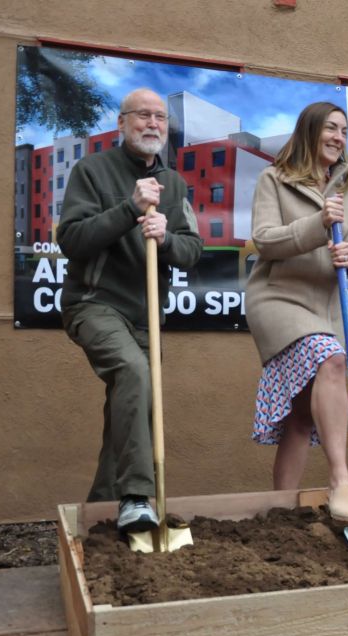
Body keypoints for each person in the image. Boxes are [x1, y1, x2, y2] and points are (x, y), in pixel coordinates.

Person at [58, 88, 203, 532]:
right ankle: (138, 498)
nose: (153, 124)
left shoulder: (175, 184)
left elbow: (192, 249)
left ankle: (101, 512)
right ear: (122, 123)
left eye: (161, 117)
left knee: (134, 407)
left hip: (146, 319)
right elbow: (72, 239)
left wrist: (166, 236)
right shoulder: (92, 171)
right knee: (134, 374)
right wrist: (130, 210)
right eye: (143, 115)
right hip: (95, 304)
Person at [243, 101, 348, 522]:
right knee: (332, 358)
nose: (338, 137)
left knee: (300, 416)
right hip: (279, 298)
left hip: (325, 306)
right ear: (310, 131)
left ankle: (280, 510)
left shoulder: (347, 190)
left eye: (344, 131)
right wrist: (317, 225)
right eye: (331, 128)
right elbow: (264, 240)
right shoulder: (273, 179)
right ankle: (341, 480)